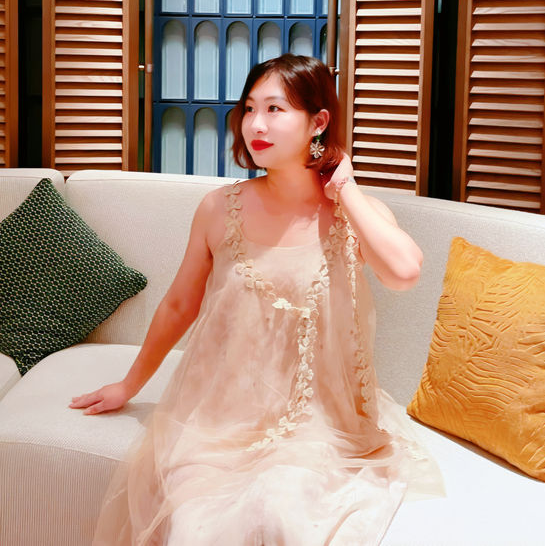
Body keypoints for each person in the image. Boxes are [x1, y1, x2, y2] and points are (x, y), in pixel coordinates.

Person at [70, 53, 443, 545]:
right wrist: (128, 384)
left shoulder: (354, 214)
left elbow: (404, 273)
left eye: (274, 109)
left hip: (316, 426)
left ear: (318, 122)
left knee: (283, 513)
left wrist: (346, 189)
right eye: (249, 109)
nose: (256, 125)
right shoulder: (218, 209)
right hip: (218, 416)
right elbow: (179, 305)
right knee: (194, 527)